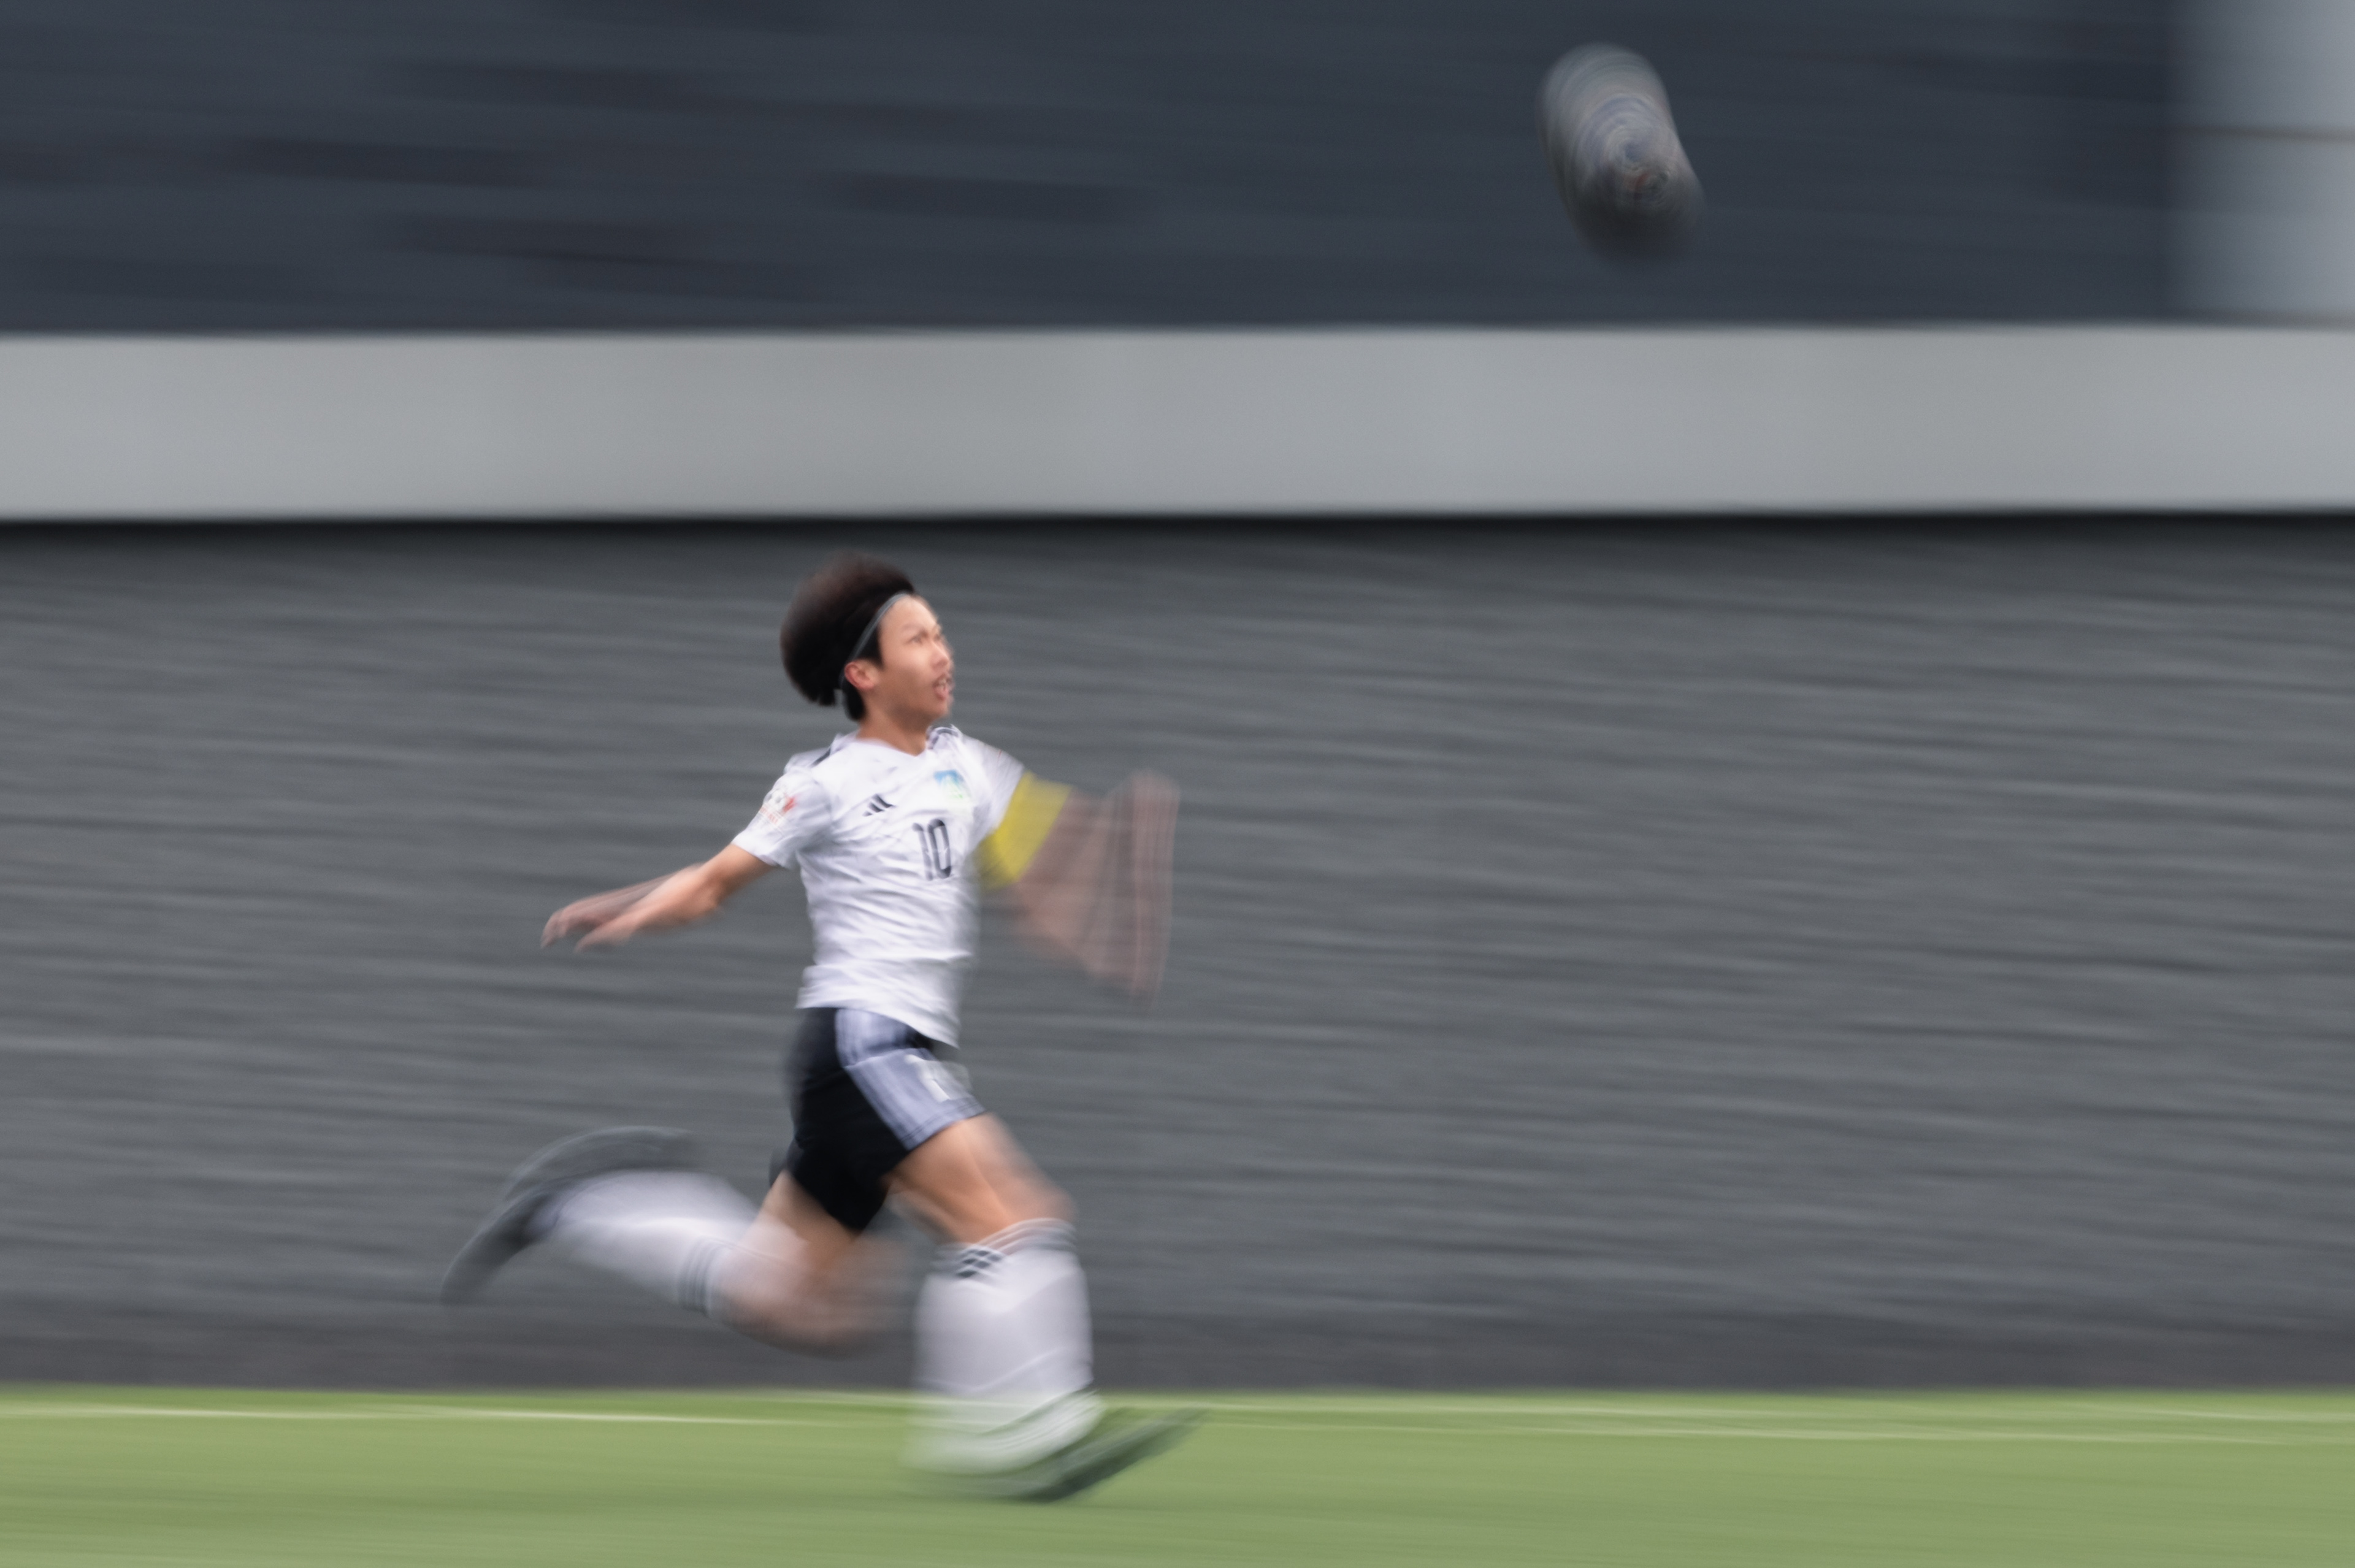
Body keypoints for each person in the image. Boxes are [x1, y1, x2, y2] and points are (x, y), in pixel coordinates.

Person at [442, 553, 1192, 1500]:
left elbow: (1048, 884)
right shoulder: (826, 783)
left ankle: (584, 1203)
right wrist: (632, 908)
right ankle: (1019, 1435)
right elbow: (714, 882)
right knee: (1014, 1218)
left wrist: (1130, 871)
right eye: (918, 638)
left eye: (941, 632)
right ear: (864, 674)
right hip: (862, 1044)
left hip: (897, 1056)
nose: (943, 652)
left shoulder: (972, 768)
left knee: (797, 1302)